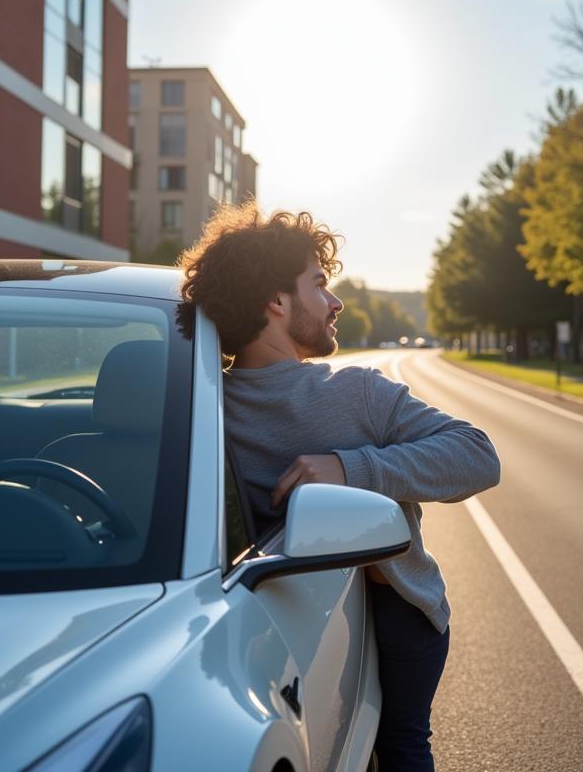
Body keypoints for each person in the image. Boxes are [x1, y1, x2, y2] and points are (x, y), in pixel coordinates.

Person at [179, 202, 500, 772]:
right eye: (319, 284)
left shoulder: (198, 402)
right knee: (404, 748)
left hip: (389, 615)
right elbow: (482, 454)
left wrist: (349, 468)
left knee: (401, 740)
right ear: (276, 302)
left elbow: (476, 457)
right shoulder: (354, 393)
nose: (336, 302)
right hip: (293, 631)